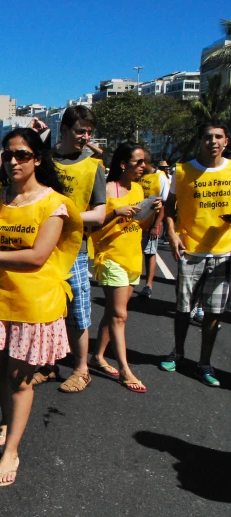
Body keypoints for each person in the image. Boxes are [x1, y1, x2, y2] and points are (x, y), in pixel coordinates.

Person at [0, 128, 82, 487]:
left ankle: (11, 451)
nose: (13, 161)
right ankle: (7, 421)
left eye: (23, 155)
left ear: (37, 159)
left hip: (34, 305)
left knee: (20, 379)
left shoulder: (53, 203)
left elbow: (37, 257)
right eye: (8, 154)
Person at [33, 106, 107, 392]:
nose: (85, 137)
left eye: (89, 132)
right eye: (79, 131)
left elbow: (100, 214)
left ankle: (81, 369)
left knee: (77, 309)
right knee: (47, 307)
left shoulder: (93, 165)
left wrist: (61, 215)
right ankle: (49, 365)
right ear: (63, 130)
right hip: (41, 246)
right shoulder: (45, 159)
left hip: (74, 248)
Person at [160, 120, 231, 387]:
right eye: (207, 137)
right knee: (183, 309)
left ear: (226, 142)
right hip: (190, 250)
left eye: (218, 137)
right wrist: (172, 231)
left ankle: (204, 363)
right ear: (200, 141)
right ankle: (177, 352)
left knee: (214, 312)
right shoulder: (183, 171)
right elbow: (169, 206)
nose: (212, 141)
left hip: (224, 252)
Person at [90, 143, 161, 392]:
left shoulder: (139, 189)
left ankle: (97, 357)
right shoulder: (107, 190)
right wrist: (116, 211)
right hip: (111, 258)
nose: (143, 166)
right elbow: (93, 225)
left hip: (133, 258)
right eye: (138, 161)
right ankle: (124, 370)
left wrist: (152, 212)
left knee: (113, 313)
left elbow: (139, 226)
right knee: (120, 316)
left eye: (144, 162)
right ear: (123, 164)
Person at [137, 152, 170, 298]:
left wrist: (156, 225)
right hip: (134, 223)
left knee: (149, 253)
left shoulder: (160, 177)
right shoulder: (138, 176)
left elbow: (164, 204)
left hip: (150, 224)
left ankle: (148, 285)